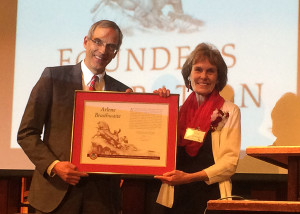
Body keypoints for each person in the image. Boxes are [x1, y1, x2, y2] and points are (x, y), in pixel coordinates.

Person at [17, 20, 132, 214]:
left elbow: (127, 144)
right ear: (86, 41)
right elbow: (27, 133)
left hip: (102, 199)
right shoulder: (53, 78)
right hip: (54, 193)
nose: (103, 50)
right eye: (98, 42)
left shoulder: (122, 92)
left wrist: (156, 102)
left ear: (116, 53)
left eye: (111, 46)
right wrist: (55, 166)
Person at [153, 43, 241, 214]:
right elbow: (152, 143)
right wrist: (158, 105)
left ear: (218, 77)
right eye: (198, 70)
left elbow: (229, 163)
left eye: (210, 71)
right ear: (189, 75)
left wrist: (188, 178)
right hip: (174, 197)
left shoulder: (229, 111)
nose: (204, 76)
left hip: (211, 197)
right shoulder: (175, 112)